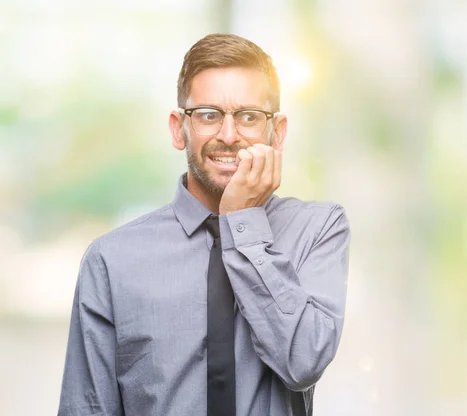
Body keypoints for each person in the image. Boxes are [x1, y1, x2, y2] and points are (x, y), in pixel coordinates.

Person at [58, 33, 350, 416]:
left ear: (276, 133)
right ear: (179, 128)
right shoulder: (110, 261)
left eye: (248, 116)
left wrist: (242, 221)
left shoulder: (320, 229)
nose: (228, 136)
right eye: (209, 115)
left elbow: (303, 362)